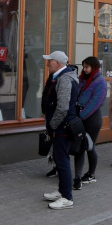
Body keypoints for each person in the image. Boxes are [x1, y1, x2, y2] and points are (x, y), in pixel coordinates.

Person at [39, 51, 78, 209]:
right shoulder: (62, 77)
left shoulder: (65, 79)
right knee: (60, 159)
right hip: (61, 125)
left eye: (50, 61)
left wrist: (53, 125)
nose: (48, 64)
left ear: (58, 63)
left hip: (62, 126)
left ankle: (67, 197)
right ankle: (62, 191)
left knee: (62, 161)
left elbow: (62, 107)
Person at [74, 56, 107, 188]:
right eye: (84, 66)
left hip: (92, 119)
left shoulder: (100, 82)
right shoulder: (82, 79)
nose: (84, 69)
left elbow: (95, 103)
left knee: (89, 146)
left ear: (94, 67)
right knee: (79, 147)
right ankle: (77, 176)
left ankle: (91, 174)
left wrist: (80, 116)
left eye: (87, 67)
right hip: (80, 116)